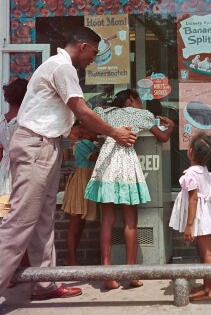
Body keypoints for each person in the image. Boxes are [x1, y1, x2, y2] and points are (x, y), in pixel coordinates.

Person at [0, 27, 138, 300]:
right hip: (37, 145)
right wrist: (115, 132)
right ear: (84, 46)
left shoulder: (57, 67)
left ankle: (44, 283)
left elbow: (71, 116)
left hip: (45, 145)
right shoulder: (62, 68)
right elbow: (82, 111)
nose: (94, 60)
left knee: (42, 219)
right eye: (94, 54)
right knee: (20, 221)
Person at [84, 88, 174, 290]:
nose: (142, 104)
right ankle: (131, 273)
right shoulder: (142, 115)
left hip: (106, 163)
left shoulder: (107, 113)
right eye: (140, 99)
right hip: (125, 163)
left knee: (107, 219)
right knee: (130, 221)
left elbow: (89, 115)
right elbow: (162, 137)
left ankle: (107, 273)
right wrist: (172, 126)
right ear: (132, 99)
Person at [169, 132, 211, 302]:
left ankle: (208, 289)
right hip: (205, 214)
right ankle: (208, 283)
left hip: (199, 217)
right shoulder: (204, 171)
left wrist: (189, 225)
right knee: (203, 250)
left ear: (191, 151)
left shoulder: (191, 174)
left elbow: (193, 198)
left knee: (206, 252)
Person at [61, 121, 100, 266]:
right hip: (80, 184)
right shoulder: (82, 144)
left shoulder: (92, 144)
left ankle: (68, 258)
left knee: (80, 224)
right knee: (75, 223)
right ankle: (71, 259)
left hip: (87, 183)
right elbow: (95, 158)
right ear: (86, 131)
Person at [0, 79, 28, 220]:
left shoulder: (0, 121)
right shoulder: (27, 122)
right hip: (24, 170)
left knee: (4, 215)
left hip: (4, 172)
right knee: (21, 218)